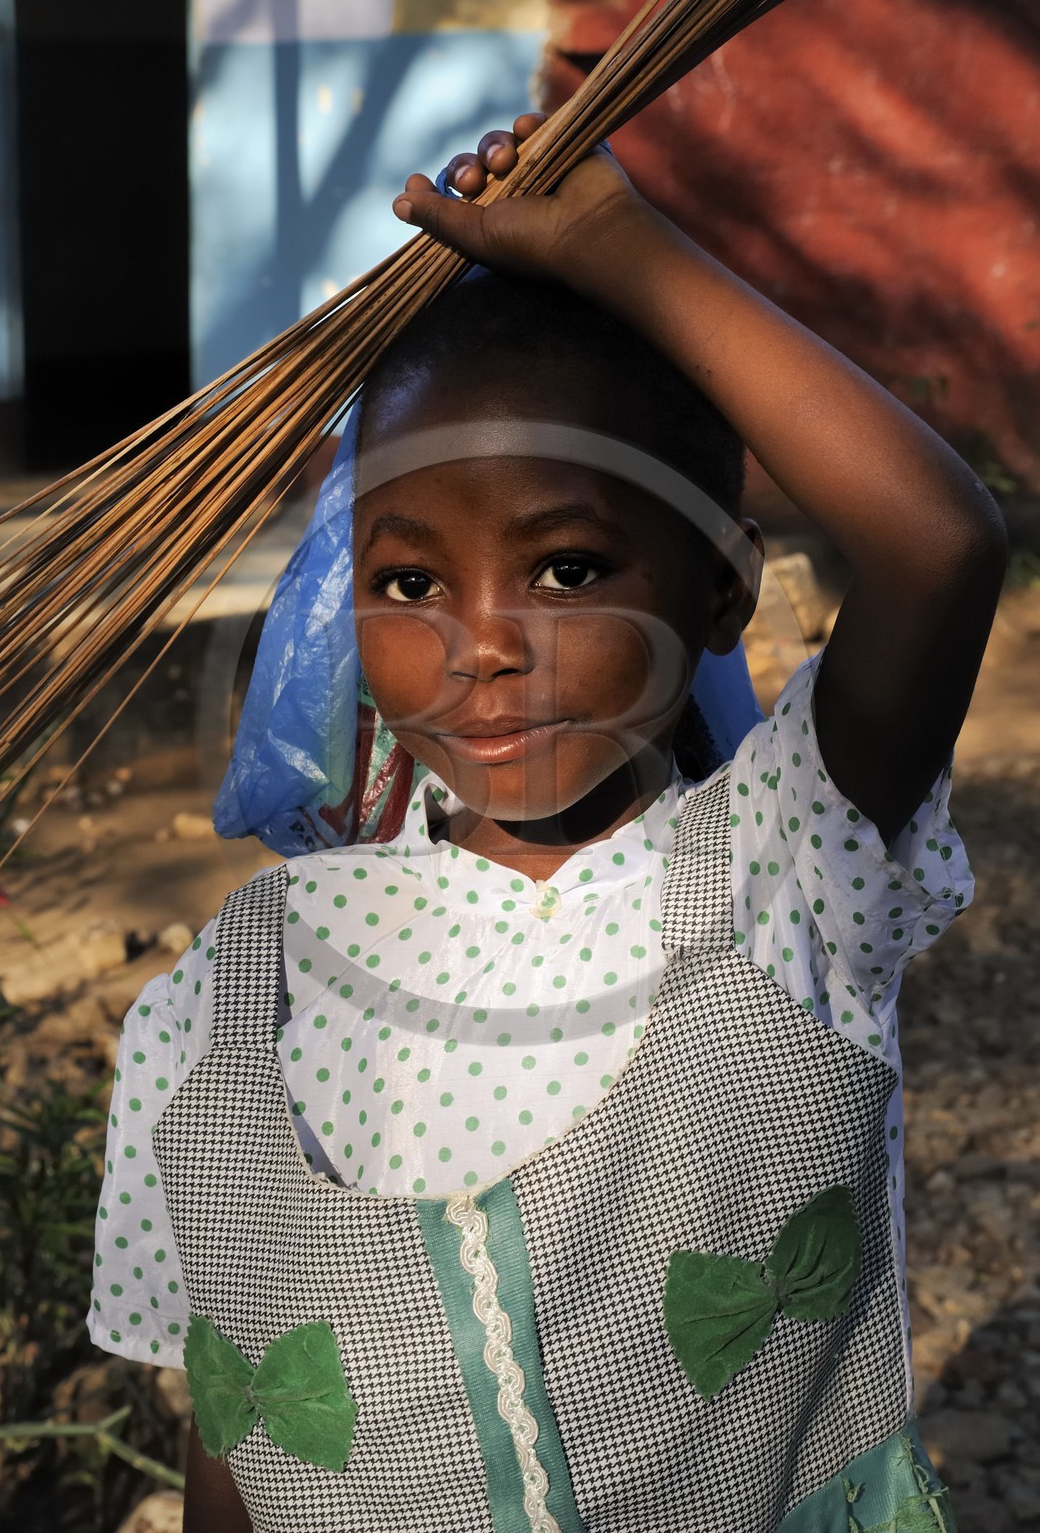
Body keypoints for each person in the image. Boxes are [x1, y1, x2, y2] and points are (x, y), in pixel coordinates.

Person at [89, 113, 1006, 1533]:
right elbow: (244, 1425)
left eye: (568, 566)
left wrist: (619, 252)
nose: (484, 645)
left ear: (716, 596)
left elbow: (937, 547)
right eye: (407, 584)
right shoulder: (223, 1007)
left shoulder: (787, 876)